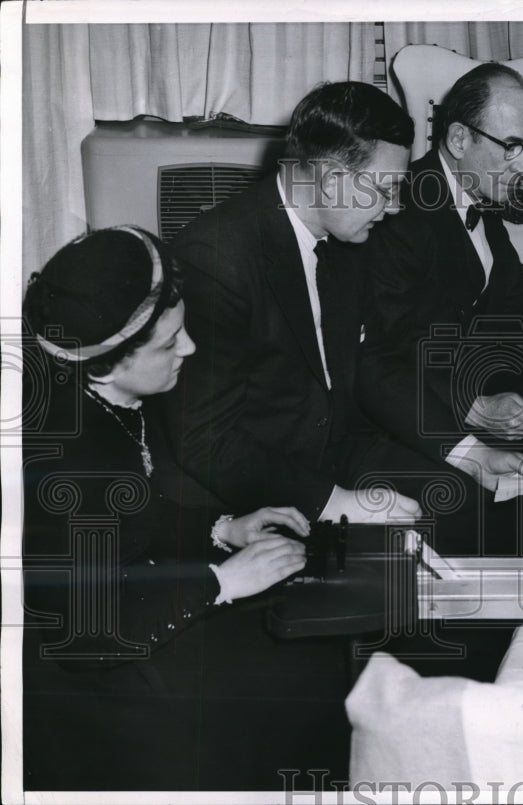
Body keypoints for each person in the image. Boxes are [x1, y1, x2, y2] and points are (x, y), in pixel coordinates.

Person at [21, 227, 353, 790]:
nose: (190, 349)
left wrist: (223, 528)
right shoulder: (71, 460)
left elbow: (138, 512)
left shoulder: (107, 396)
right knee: (289, 677)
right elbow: (81, 635)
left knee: (311, 652)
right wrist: (219, 581)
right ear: (104, 363)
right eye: (168, 343)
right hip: (84, 681)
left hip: (130, 609)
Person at [158, 81, 423, 524]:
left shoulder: (347, 234)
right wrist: (332, 502)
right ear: (334, 180)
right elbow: (204, 439)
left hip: (331, 452)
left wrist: (467, 450)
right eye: (385, 190)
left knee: (468, 500)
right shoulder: (216, 259)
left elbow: (372, 361)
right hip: (240, 493)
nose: (394, 208)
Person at [350, 63, 523, 501]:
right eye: (511, 146)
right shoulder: (399, 208)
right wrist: (475, 406)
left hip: (452, 388)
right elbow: (388, 348)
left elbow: (520, 297)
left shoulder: (476, 196)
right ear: (458, 139)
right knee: (480, 499)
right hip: (401, 411)